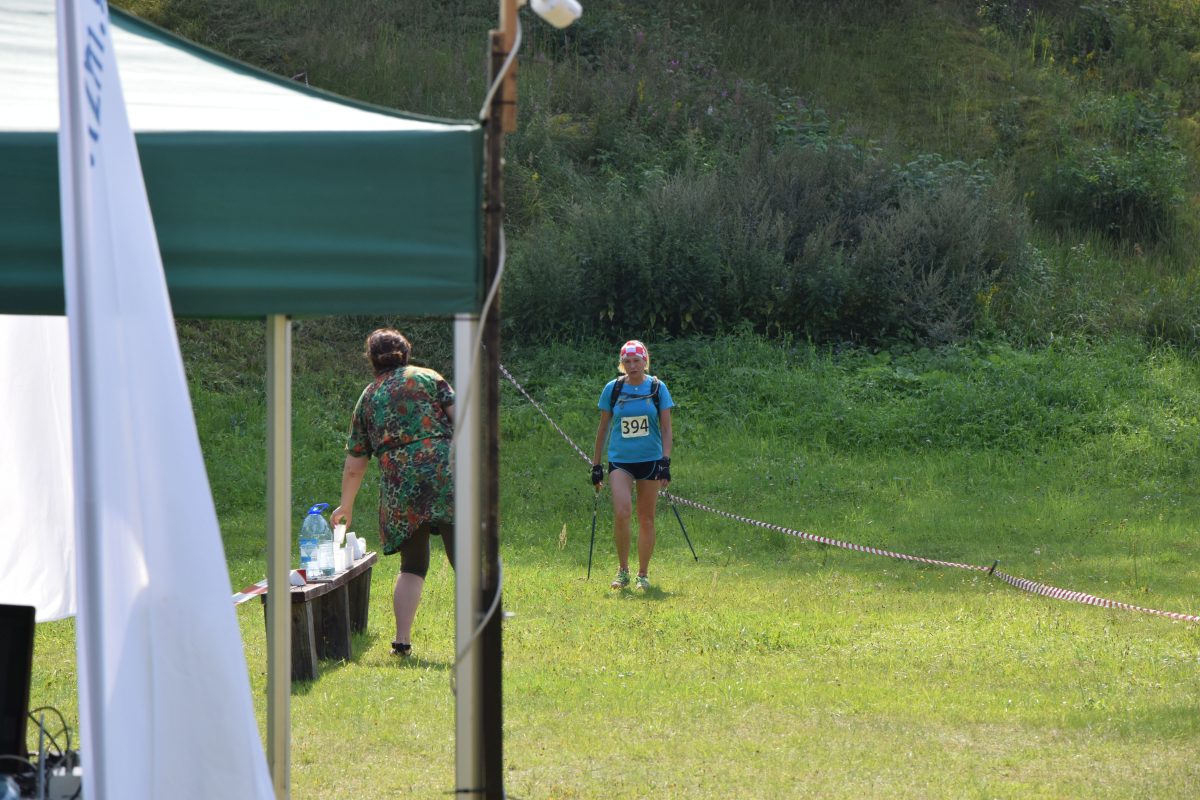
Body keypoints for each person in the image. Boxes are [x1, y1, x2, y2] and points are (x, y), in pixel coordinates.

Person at [331, 328, 455, 658]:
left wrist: (345, 506)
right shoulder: (429, 378)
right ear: (406, 351)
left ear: (371, 360)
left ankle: (402, 642)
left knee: (412, 565)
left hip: (401, 485)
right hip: (446, 474)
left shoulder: (369, 396)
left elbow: (355, 465)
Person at [591, 339, 675, 590]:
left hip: (650, 460)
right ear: (622, 364)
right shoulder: (613, 389)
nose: (632, 366)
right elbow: (603, 428)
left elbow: (666, 428)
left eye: (636, 360)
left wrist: (665, 461)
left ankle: (643, 574)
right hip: (621, 461)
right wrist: (596, 464)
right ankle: (623, 570)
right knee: (622, 513)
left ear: (645, 361)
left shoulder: (658, 388)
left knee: (646, 518)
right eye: (627, 361)